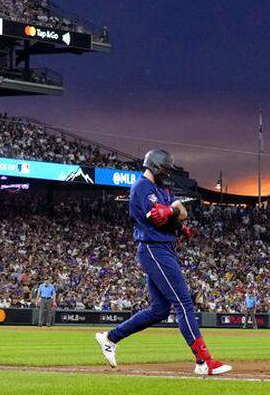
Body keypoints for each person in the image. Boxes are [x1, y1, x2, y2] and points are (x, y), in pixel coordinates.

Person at [95, 149, 232, 376]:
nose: (168, 173)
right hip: (153, 248)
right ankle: (203, 361)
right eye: (166, 169)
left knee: (159, 310)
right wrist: (171, 212)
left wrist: (172, 212)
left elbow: (182, 211)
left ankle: (110, 338)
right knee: (183, 303)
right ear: (156, 166)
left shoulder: (161, 188)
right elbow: (157, 217)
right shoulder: (141, 187)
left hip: (164, 247)